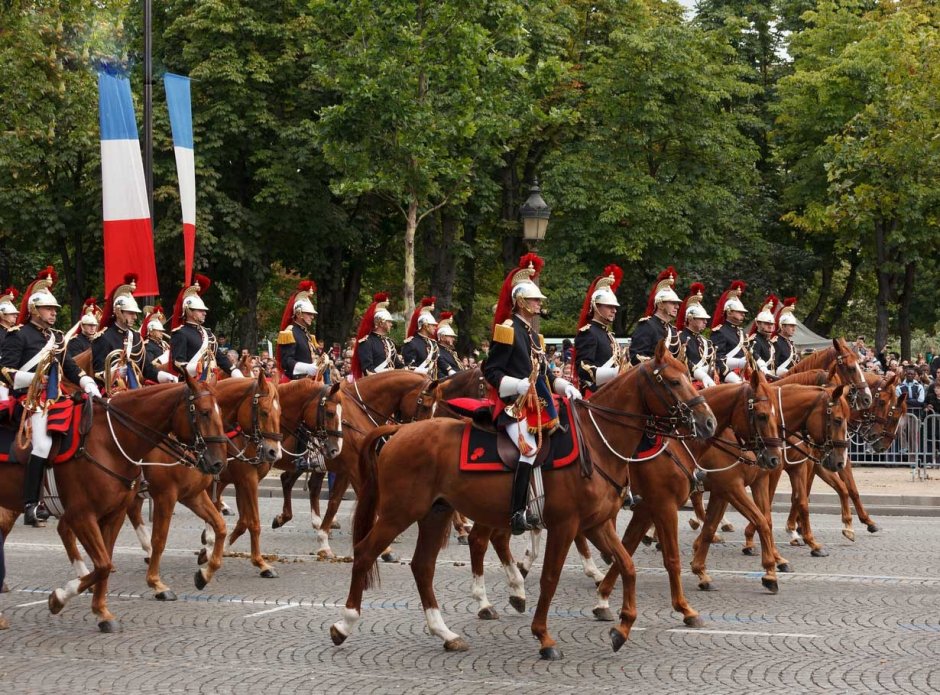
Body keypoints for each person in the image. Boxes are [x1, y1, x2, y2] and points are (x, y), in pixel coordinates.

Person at [483, 253, 580, 535]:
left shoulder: (533, 335)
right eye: (536, 299)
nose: (539, 303)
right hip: (515, 406)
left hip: (540, 405)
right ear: (521, 301)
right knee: (530, 450)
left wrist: (565, 387)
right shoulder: (507, 330)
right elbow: (492, 371)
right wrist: (516, 385)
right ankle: (517, 511)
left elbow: (547, 376)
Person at [0, 266, 101, 526]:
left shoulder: (57, 337)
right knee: (43, 445)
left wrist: (86, 380)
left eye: (55, 309)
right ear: (34, 310)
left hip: (57, 398)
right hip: (30, 400)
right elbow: (6, 372)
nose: (54, 312)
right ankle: (31, 503)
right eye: (48, 308)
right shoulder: (18, 335)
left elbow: (68, 366)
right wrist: (35, 379)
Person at [92, 274, 175, 391]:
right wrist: (116, 373)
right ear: (118, 311)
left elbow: (146, 368)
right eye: (131, 313)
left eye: (135, 313)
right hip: (113, 391)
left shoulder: (135, 337)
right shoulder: (103, 338)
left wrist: (162, 376)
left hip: (135, 390)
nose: (135, 317)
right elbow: (98, 374)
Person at [169, 274, 244, 380]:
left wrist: (234, 371)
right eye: (200, 310)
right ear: (189, 311)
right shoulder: (181, 333)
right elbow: (177, 363)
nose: (204, 313)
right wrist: (197, 367)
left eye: (204, 310)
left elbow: (219, 357)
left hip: (210, 381)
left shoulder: (207, 333)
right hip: (191, 383)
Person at [573, 264, 624, 396]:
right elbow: (584, 368)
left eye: (615, 307)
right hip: (596, 395)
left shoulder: (608, 335)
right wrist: (614, 372)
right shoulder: (589, 333)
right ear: (596, 307)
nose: (614, 310)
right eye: (609, 306)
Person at [276, 280, 329, 382]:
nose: (312, 317)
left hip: (311, 381)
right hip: (296, 383)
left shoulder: (308, 335)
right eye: (309, 314)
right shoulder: (289, 333)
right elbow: (286, 361)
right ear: (299, 313)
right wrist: (307, 368)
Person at [629, 266, 682, 365]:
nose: (677, 307)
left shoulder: (672, 330)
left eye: (677, 303)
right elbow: (636, 357)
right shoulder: (647, 325)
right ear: (660, 305)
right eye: (672, 303)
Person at [351, 292, 403, 379]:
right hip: (374, 387)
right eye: (389, 321)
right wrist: (388, 372)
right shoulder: (366, 342)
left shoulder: (389, 342)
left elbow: (398, 365)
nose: (391, 324)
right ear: (380, 323)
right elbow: (368, 371)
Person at [676, 282, 716, 388]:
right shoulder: (680, 338)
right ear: (690, 319)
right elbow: (682, 363)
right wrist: (702, 376)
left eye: (706, 319)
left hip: (707, 383)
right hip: (687, 385)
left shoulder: (706, 341)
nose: (705, 322)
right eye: (701, 318)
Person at [711, 280, 749, 383]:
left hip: (744, 374)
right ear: (729, 312)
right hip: (728, 378)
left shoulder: (742, 333)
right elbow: (717, 359)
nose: (743, 314)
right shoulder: (720, 331)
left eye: (743, 312)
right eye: (739, 312)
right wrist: (739, 364)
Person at [402, 296, 439, 377]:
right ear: (425, 326)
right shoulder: (411, 343)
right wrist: (427, 372)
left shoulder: (433, 344)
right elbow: (410, 367)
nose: (435, 327)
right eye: (433, 325)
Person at [748, 294, 778, 378]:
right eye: (766, 323)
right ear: (758, 323)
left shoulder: (769, 342)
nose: (770, 326)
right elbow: (754, 366)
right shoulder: (755, 341)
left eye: (771, 324)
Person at [772, 297, 800, 376]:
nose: (794, 329)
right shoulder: (776, 342)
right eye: (791, 326)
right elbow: (773, 367)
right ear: (782, 326)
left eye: (794, 326)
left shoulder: (791, 344)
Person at [141, 306, 171, 375]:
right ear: (151, 332)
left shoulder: (163, 343)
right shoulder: (147, 346)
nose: (161, 333)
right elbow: (150, 367)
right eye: (159, 331)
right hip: (158, 375)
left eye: (162, 331)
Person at [435, 312, 463, 377]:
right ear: (442, 337)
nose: (453, 339)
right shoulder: (437, 350)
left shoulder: (450, 352)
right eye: (450, 336)